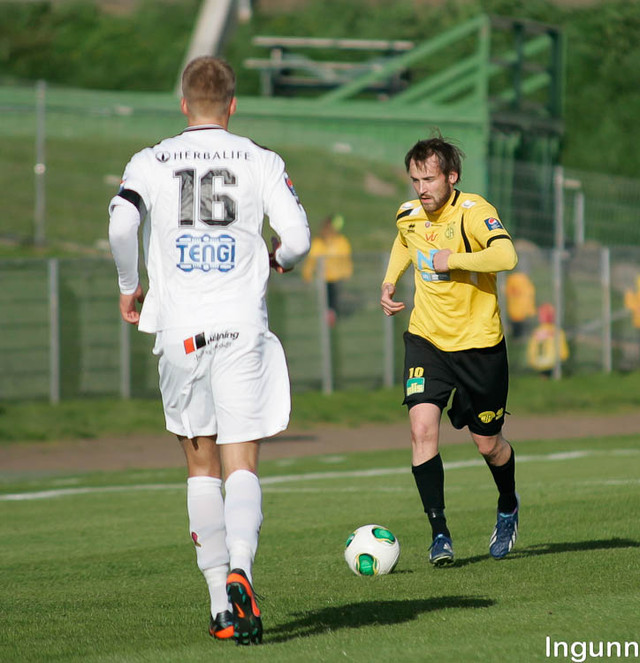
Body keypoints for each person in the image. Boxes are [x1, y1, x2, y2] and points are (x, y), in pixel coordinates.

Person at [108, 56, 310, 646]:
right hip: (241, 326)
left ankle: (222, 604)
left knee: (201, 468)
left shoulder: (150, 160)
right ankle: (243, 566)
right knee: (240, 461)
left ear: (183, 105)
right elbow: (298, 238)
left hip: (180, 329)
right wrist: (279, 259)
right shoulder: (260, 159)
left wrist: (129, 286)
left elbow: (121, 225)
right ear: (232, 105)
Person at [380, 135, 520, 566]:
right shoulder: (408, 214)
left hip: (480, 346)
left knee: (488, 444)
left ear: (452, 177)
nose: (421, 188)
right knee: (421, 429)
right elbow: (404, 241)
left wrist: (453, 259)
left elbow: (507, 257)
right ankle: (439, 533)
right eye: (415, 179)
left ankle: (508, 504)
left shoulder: (474, 212)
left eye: (430, 179)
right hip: (427, 341)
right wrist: (389, 281)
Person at [302, 214, 353, 326]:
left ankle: (331, 318)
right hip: (323, 278)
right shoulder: (318, 243)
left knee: (333, 299)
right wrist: (307, 274)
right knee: (324, 300)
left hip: (336, 277)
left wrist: (347, 272)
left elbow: (346, 258)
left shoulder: (341, 241)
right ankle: (327, 319)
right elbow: (311, 261)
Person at [526, 303, 569, 377]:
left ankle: (544, 375)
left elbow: (531, 349)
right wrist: (564, 356)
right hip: (552, 362)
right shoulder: (557, 331)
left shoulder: (537, 331)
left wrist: (531, 359)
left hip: (538, 362)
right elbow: (563, 351)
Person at [504, 270, 536, 339]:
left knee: (520, 327)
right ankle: (518, 336)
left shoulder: (516, 280)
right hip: (516, 313)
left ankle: (520, 336)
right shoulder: (515, 280)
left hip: (520, 313)